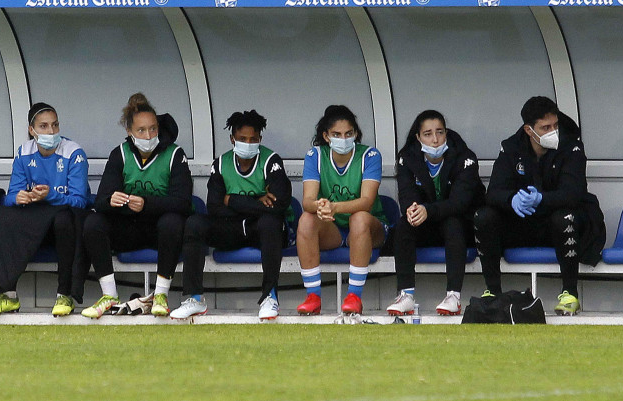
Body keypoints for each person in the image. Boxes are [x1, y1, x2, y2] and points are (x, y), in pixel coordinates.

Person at [473, 96, 605, 315]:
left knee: (564, 217)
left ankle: (569, 293)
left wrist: (542, 198)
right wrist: (511, 200)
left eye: (555, 125)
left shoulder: (571, 147)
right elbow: (493, 193)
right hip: (522, 224)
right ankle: (493, 292)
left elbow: (574, 193)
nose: (553, 131)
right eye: (545, 127)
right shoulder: (510, 148)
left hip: (557, 225)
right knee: (484, 216)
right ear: (528, 130)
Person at [0, 103, 89, 316]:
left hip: (63, 222)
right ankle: (6, 295)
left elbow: (80, 201)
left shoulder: (74, 153)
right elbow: (11, 195)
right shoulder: (24, 152)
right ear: (32, 130)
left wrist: (49, 194)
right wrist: (18, 198)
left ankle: (64, 295)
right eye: (44, 126)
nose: (51, 131)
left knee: (63, 219)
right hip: (36, 221)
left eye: (55, 125)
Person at [171, 110, 293, 320]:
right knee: (195, 223)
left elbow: (279, 204)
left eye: (253, 139)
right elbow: (215, 207)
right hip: (232, 228)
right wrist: (256, 201)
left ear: (260, 140)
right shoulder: (221, 164)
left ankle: (269, 297)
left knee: (270, 222)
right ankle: (196, 298)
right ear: (232, 139)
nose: (248, 143)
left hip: (263, 229)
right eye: (242, 139)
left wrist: (232, 200)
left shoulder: (271, 161)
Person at [81, 93, 192, 318]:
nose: (148, 135)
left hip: (160, 231)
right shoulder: (120, 154)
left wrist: (147, 204)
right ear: (129, 132)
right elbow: (101, 200)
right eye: (141, 130)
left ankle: (160, 295)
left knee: (172, 222)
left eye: (153, 129)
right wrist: (114, 201)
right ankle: (110, 295)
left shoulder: (174, 154)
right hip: (128, 229)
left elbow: (183, 202)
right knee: (93, 222)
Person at [386, 110, 485, 316]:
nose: (435, 139)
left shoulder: (465, 157)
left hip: (461, 227)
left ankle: (453, 297)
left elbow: (460, 203)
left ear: (446, 133)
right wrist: (412, 209)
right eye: (428, 134)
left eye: (440, 132)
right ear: (418, 137)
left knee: (452, 222)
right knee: (405, 224)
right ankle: (406, 296)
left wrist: (427, 210)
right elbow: (406, 194)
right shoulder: (407, 158)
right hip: (426, 225)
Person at [296, 105, 388, 316]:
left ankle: (354, 296)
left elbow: (366, 201)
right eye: (336, 134)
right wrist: (320, 206)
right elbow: (307, 201)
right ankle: (313, 297)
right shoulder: (315, 155)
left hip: (371, 228)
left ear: (355, 134)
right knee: (306, 220)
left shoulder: (370, 155)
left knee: (359, 218)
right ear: (326, 136)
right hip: (335, 230)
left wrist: (334, 207)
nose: (343, 139)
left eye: (349, 134)